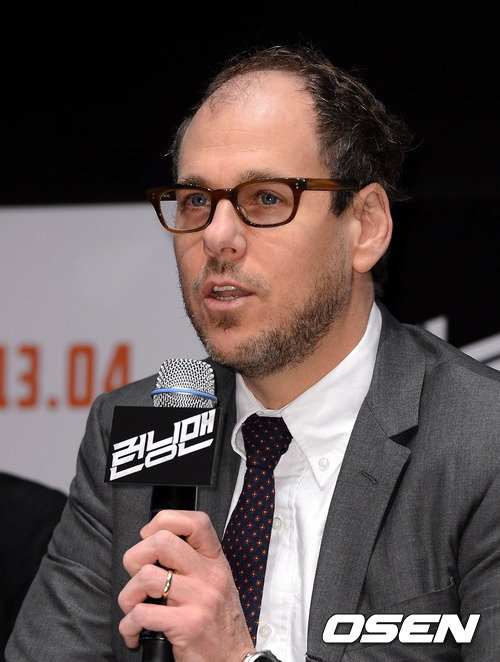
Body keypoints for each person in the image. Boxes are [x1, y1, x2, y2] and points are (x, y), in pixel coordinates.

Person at [6, 45, 500, 662]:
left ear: (367, 225)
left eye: (266, 198)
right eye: (195, 201)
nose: (217, 236)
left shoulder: (483, 440)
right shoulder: (145, 422)